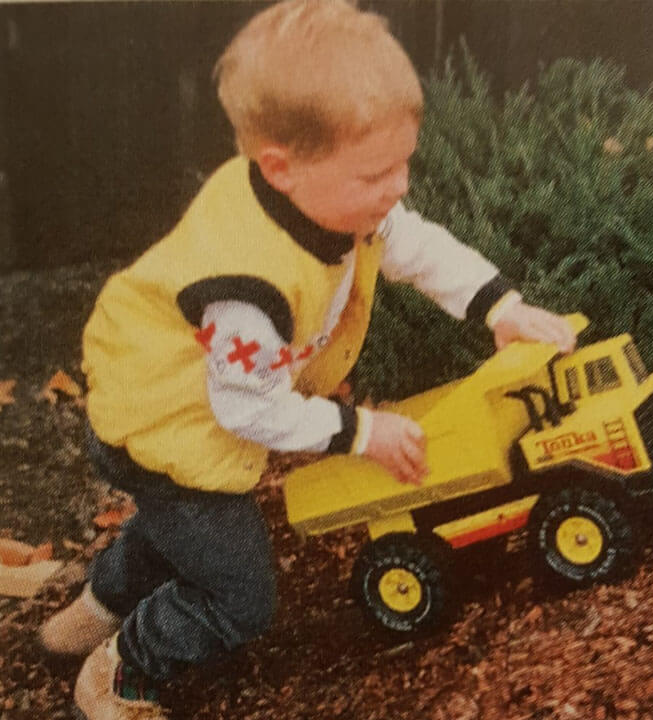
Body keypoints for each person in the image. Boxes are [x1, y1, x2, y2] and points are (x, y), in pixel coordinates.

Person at [38, 1, 576, 718]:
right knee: (237, 594)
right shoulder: (244, 285)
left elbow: (416, 246)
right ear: (282, 168)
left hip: (188, 410)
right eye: (375, 174)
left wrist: (499, 307)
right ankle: (124, 665)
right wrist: (359, 432)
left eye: (403, 164)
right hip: (165, 423)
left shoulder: (340, 202)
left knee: (179, 527)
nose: (398, 187)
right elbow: (247, 405)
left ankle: (98, 606)